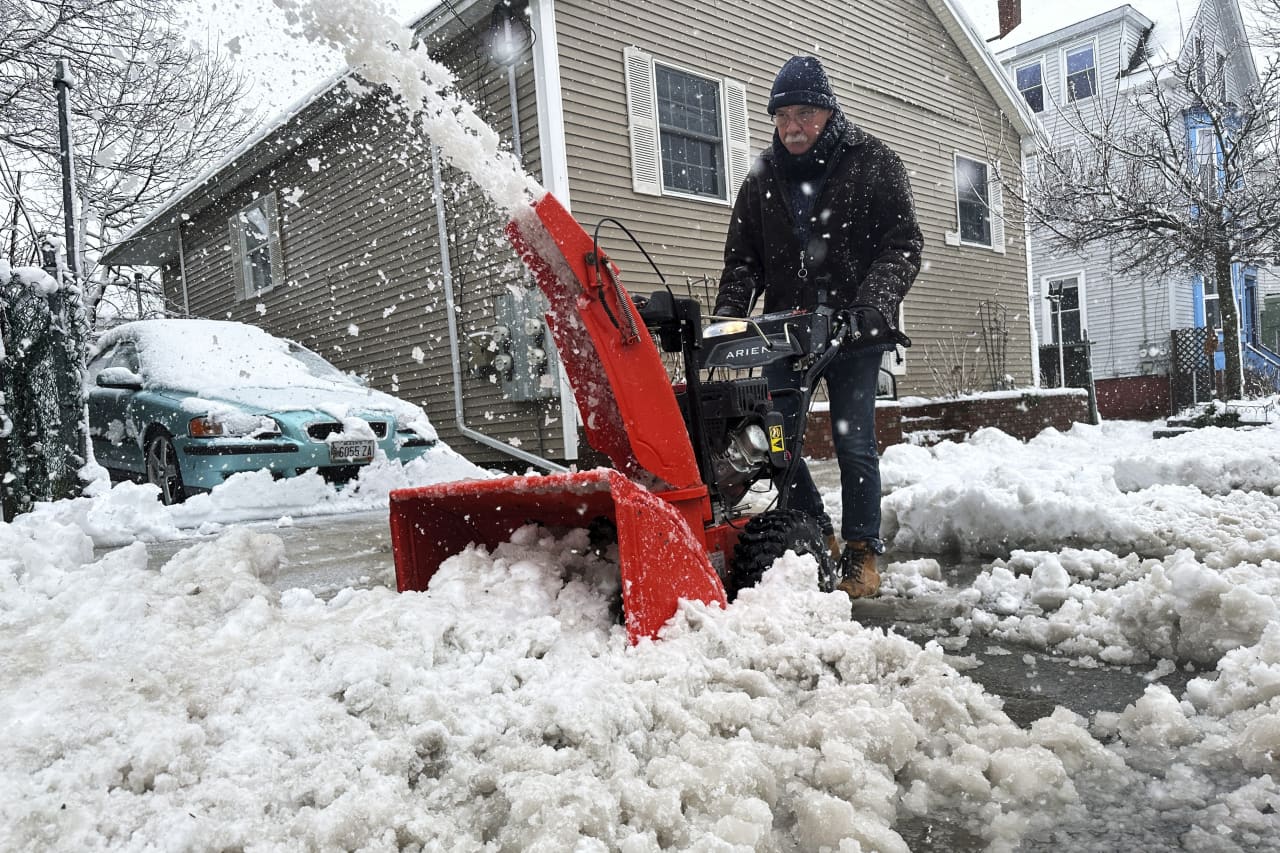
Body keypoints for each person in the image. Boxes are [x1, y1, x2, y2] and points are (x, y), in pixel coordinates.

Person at [714, 55, 923, 599]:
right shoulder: (762, 175)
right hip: (788, 331)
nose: (793, 126)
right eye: (782, 116)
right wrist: (727, 321)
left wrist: (872, 306)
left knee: (853, 442)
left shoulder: (872, 161)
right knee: (776, 441)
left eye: (804, 113)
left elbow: (902, 246)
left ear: (828, 112)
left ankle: (861, 553)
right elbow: (743, 261)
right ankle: (820, 534)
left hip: (855, 331)